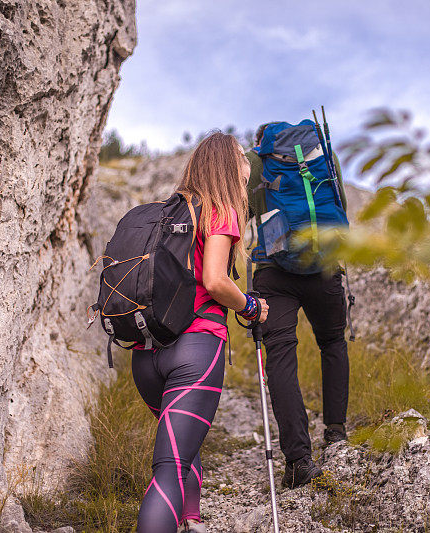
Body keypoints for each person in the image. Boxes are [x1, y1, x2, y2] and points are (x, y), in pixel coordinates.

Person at [131, 132, 268, 533]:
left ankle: (191, 521)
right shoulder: (219, 209)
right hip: (195, 349)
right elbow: (215, 280)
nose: (247, 165)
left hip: (146, 352)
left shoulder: (166, 212)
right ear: (229, 165)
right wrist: (250, 306)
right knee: (171, 467)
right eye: (242, 157)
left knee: (182, 449)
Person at [246, 122, 350, 489]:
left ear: (261, 142)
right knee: (333, 343)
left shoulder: (255, 164)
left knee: (281, 358)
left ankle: (298, 460)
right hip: (324, 270)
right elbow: (339, 206)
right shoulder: (324, 154)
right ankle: (336, 433)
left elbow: (241, 216)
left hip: (274, 273)